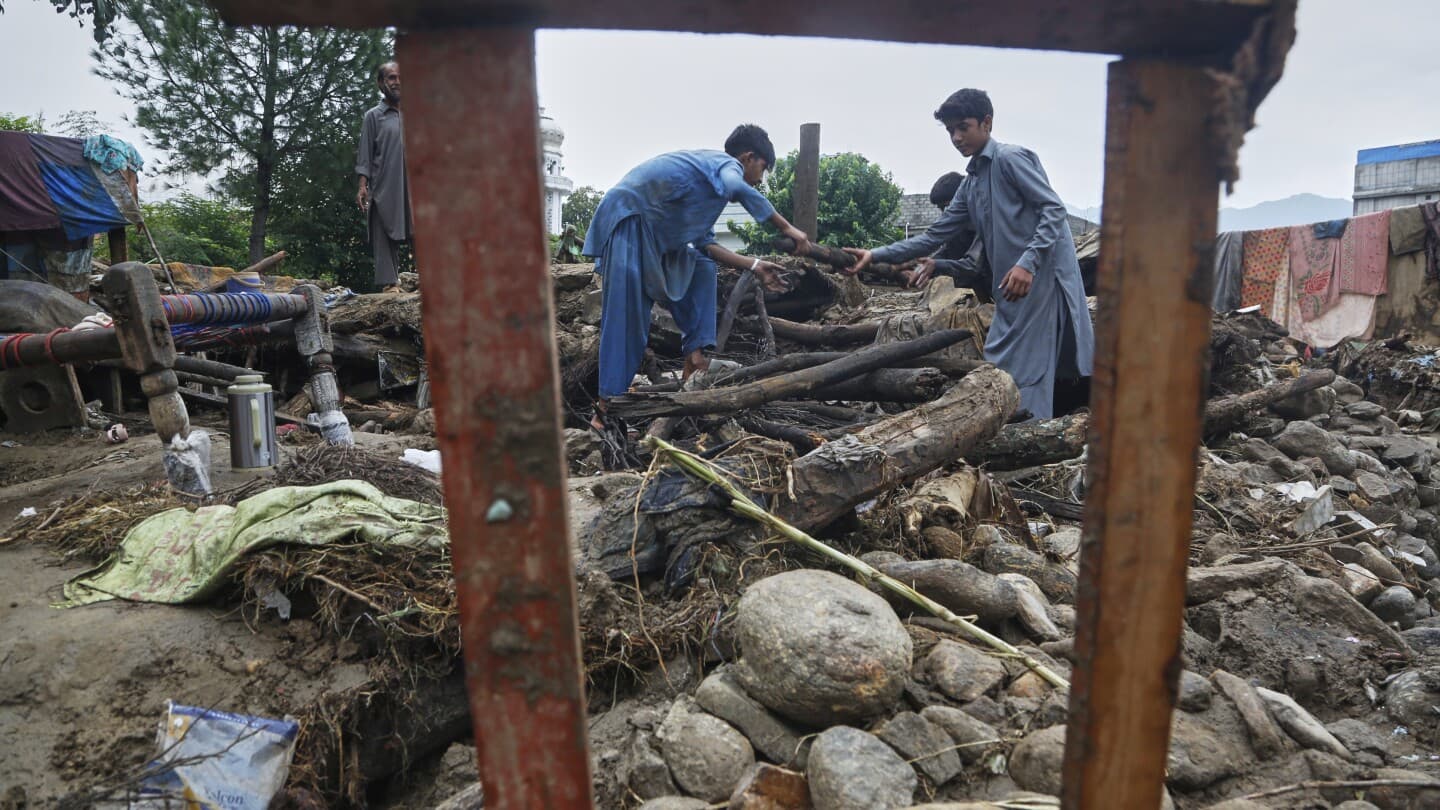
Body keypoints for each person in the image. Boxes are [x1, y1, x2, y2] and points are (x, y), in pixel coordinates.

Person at [846, 88, 1093, 420]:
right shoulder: (972, 182)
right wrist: (875, 255)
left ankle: (1031, 435)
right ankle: (1010, 431)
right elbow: (936, 234)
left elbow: (1053, 210)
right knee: (1001, 359)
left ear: (986, 123)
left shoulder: (1011, 158)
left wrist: (1027, 263)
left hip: (1040, 281)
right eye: (950, 131)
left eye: (963, 127)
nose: (956, 137)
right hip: (1009, 291)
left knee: (1027, 365)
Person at [582, 124, 810, 430]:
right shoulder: (725, 166)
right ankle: (606, 410)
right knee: (627, 320)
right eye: (763, 169)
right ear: (748, 157)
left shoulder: (708, 193)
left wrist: (755, 265)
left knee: (702, 266)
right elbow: (739, 186)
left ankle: (696, 359)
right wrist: (787, 228)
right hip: (630, 221)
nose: (760, 179)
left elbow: (707, 244)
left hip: (655, 237)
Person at [355, 61, 411, 292]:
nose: (397, 82)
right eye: (391, 77)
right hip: (384, 184)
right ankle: (390, 283)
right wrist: (362, 186)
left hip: (413, 186)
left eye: (400, 77)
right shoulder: (373, 116)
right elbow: (365, 154)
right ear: (381, 83)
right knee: (381, 225)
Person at [900, 171, 992, 303]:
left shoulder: (987, 219)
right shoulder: (958, 229)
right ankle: (987, 306)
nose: (946, 212)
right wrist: (918, 269)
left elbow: (972, 266)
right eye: (941, 208)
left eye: (948, 206)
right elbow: (946, 252)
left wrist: (934, 265)